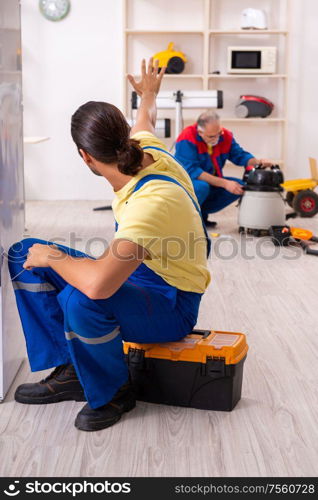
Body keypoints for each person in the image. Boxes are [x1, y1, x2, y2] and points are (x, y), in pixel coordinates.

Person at [8, 58, 211, 432]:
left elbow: (100, 284)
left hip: (172, 302)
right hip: (142, 277)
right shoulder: (144, 147)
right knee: (24, 254)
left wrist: (53, 255)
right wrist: (148, 96)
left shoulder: (151, 203)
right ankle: (71, 369)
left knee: (81, 298)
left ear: (85, 156)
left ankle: (115, 392)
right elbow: (145, 121)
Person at [175, 111, 273, 226]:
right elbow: (192, 171)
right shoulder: (187, 138)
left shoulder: (225, 136)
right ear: (200, 132)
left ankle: (201, 215)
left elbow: (240, 155)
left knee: (240, 186)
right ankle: (184, 221)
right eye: (211, 136)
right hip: (188, 183)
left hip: (211, 181)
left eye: (218, 133)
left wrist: (258, 162)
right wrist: (225, 183)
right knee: (202, 187)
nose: (216, 138)